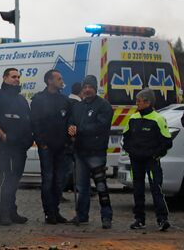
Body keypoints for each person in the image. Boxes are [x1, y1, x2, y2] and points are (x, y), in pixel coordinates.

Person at [123, 88, 172, 231]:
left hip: (151, 161)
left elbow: (167, 141)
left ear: (148, 102)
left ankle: (162, 219)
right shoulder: (133, 118)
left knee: (156, 189)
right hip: (136, 161)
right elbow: (125, 138)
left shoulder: (158, 118)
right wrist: (131, 151)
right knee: (137, 190)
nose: (136, 104)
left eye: (139, 101)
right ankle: (139, 219)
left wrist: (155, 155)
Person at [68, 75, 113, 229]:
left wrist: (79, 130)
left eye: (90, 87)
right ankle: (82, 216)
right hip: (80, 152)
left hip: (97, 152)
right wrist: (71, 128)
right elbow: (71, 121)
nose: (87, 90)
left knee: (101, 187)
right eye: (85, 87)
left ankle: (106, 217)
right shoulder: (77, 107)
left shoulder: (104, 105)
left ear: (95, 88)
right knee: (82, 187)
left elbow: (101, 126)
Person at [0, 67, 32, 226]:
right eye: (14, 76)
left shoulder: (21, 99)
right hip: (7, 147)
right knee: (7, 179)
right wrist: (3, 136)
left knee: (15, 180)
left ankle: (12, 211)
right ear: (5, 78)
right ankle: (3, 212)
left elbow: (27, 121)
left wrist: (28, 140)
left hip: (21, 147)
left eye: (18, 77)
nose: (17, 79)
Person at [30, 69, 71, 224]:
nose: (62, 81)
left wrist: (69, 139)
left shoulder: (64, 100)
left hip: (62, 147)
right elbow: (35, 123)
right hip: (47, 147)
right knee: (48, 180)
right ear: (50, 81)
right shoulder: (39, 100)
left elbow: (69, 121)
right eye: (59, 78)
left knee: (59, 181)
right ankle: (49, 213)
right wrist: (42, 143)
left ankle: (56, 210)